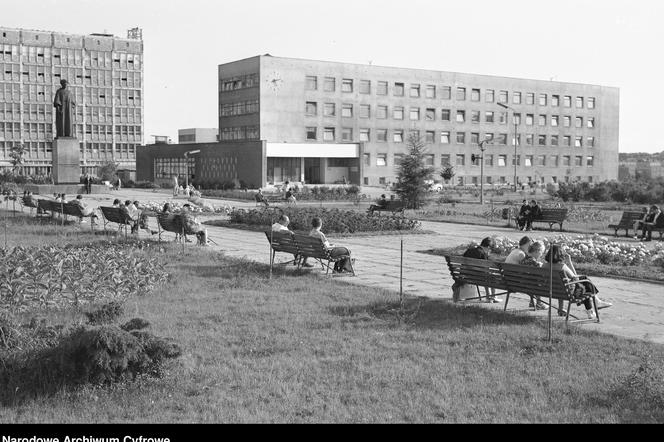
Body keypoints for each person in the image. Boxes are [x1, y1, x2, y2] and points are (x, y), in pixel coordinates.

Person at [543, 244, 612, 318]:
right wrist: (569, 261)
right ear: (561, 254)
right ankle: (593, 306)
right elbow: (575, 277)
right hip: (566, 292)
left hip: (551, 290)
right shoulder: (562, 266)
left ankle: (594, 305)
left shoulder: (544, 266)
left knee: (582, 283)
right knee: (584, 282)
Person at [461, 237, 501, 303]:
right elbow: (486, 269)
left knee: (486, 275)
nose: (490, 251)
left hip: (466, 275)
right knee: (492, 276)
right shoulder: (483, 254)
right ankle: (492, 297)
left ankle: (490, 297)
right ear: (488, 247)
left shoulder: (469, 250)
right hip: (479, 278)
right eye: (490, 249)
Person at [519, 241, 546, 309]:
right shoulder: (535, 263)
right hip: (533, 285)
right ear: (537, 251)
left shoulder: (524, 260)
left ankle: (532, 302)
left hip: (523, 284)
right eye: (541, 253)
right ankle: (539, 303)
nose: (541, 255)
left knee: (532, 280)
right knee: (538, 280)